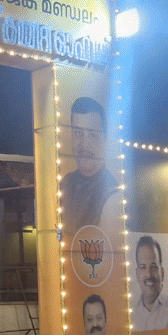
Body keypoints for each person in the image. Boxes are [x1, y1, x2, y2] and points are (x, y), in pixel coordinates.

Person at [59, 97, 119, 234]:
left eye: (92, 135)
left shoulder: (112, 193)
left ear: (105, 139)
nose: (84, 144)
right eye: (78, 133)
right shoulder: (64, 184)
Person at [131, 235, 168, 331]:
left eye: (154, 267)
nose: (148, 274)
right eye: (143, 267)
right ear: (137, 274)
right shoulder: (130, 312)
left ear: (162, 272)